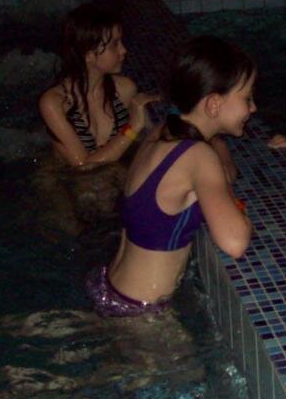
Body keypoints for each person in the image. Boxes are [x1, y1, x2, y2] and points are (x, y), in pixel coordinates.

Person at [86, 36, 256, 316]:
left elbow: (220, 167)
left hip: (109, 286)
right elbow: (235, 243)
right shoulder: (198, 156)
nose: (253, 108)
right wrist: (240, 210)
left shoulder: (163, 132)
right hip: (139, 312)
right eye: (247, 98)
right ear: (214, 104)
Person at [39, 3, 159, 168]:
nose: (123, 50)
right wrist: (132, 127)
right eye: (114, 44)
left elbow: (152, 141)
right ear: (89, 55)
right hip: (68, 179)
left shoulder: (125, 89)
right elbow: (83, 166)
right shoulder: (54, 103)